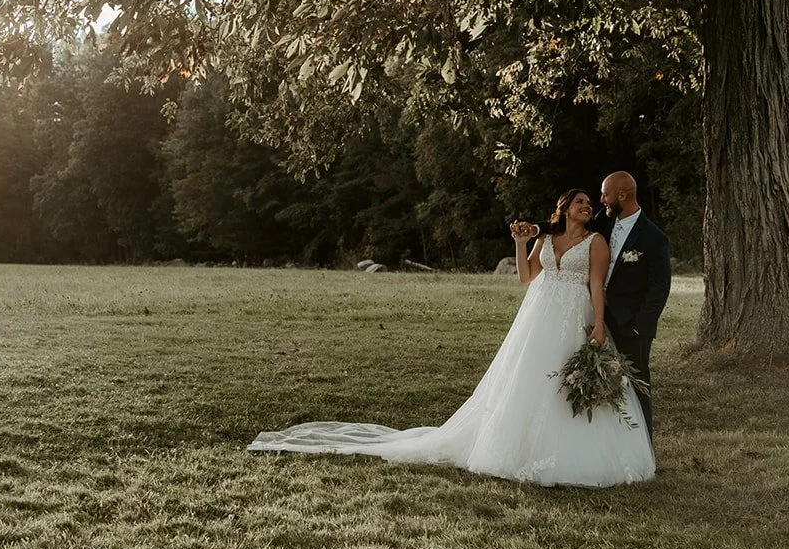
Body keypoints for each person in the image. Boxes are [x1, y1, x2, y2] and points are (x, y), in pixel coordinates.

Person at [247, 187, 655, 486]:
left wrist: (599, 326)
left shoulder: (596, 242)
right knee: (527, 378)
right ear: (564, 207)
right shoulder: (546, 238)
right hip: (538, 315)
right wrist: (519, 243)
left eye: (590, 202)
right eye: (581, 201)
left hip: (573, 316)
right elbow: (528, 276)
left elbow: (596, 286)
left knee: (565, 381)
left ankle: (572, 455)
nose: (588, 207)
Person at [596, 171, 671, 443]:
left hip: (632, 324)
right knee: (602, 380)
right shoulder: (603, 222)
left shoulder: (654, 238)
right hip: (601, 318)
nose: (602, 199)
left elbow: (660, 287)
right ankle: (609, 443)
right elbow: (570, 226)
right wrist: (536, 229)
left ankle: (643, 447)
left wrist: (641, 326)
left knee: (637, 386)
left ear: (622, 195)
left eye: (605, 194)